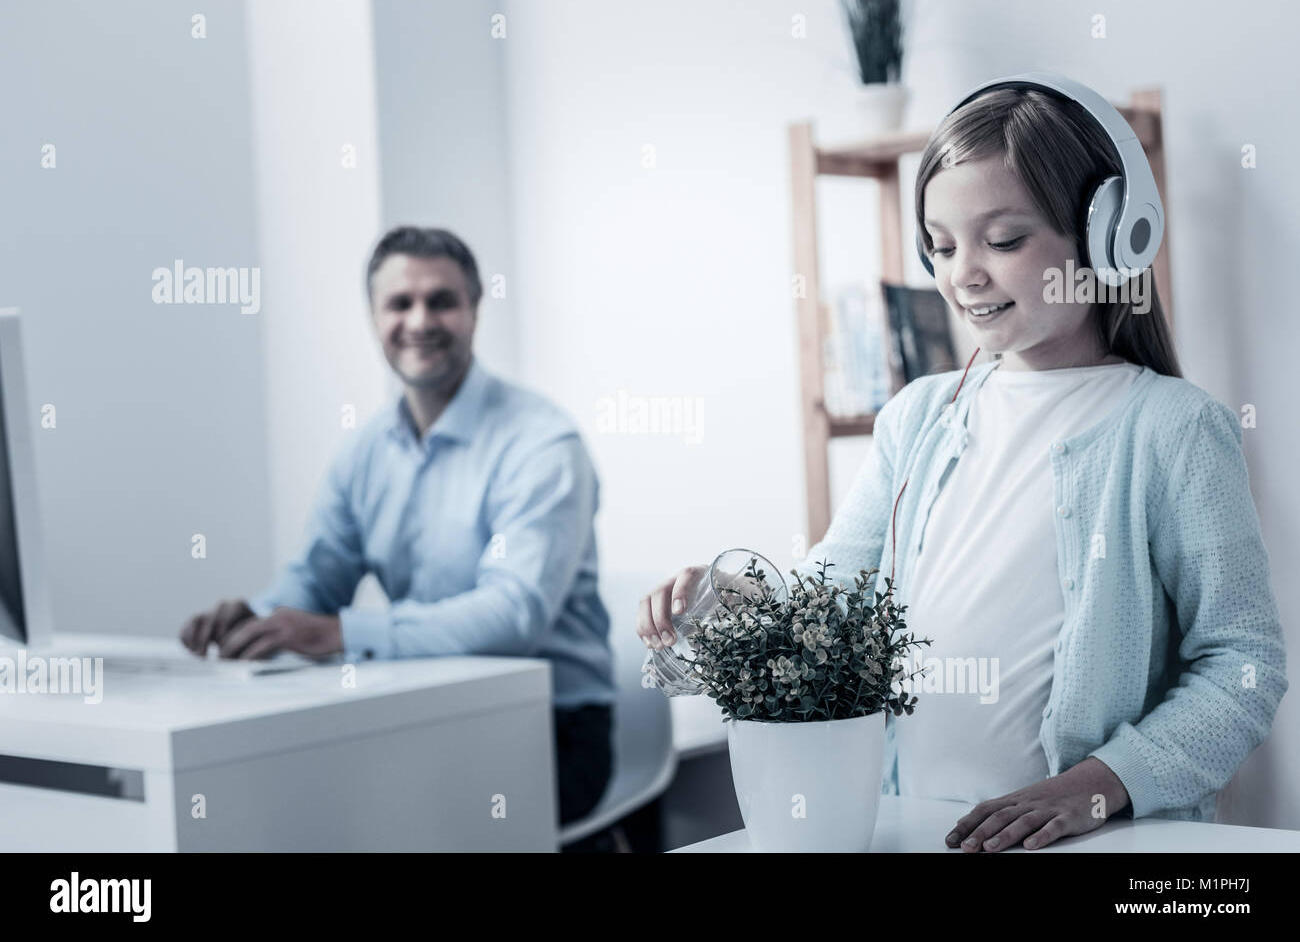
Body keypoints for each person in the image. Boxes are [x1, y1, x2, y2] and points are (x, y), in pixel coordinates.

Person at [636, 80, 1287, 851]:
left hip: (1091, 840)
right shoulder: (918, 418)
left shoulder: (1172, 429)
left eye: (1003, 241)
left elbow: (1243, 664)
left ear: (1110, 237)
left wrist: (1102, 786)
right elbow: (830, 608)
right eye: (940, 246)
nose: (963, 274)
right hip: (915, 828)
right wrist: (718, 608)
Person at [180, 226, 616, 842]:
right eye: (399, 303)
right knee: (279, 807)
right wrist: (257, 617)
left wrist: (338, 632)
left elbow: (512, 616)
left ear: (474, 309)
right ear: (373, 317)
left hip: (551, 728)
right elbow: (319, 573)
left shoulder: (542, 444)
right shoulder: (364, 451)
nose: (420, 320)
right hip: (419, 715)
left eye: (441, 300)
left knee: (370, 824)